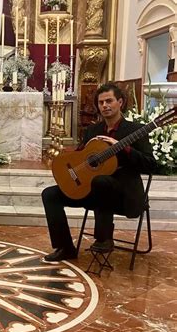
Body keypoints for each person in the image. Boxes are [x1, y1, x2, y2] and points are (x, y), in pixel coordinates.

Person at [41, 82, 157, 262]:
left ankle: (103, 238)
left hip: (125, 196)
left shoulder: (135, 130)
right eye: (101, 102)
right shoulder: (93, 130)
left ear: (120, 102)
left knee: (101, 181)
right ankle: (65, 247)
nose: (105, 106)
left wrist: (123, 148)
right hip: (92, 192)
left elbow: (150, 165)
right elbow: (81, 155)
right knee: (50, 194)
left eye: (109, 101)